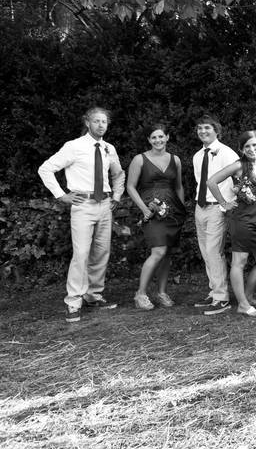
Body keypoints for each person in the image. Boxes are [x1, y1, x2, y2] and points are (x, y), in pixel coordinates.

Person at [38, 107, 126, 322]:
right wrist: (61, 195)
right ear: (87, 123)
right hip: (83, 206)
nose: (101, 125)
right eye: (96, 121)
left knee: (101, 252)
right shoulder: (73, 146)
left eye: (104, 121)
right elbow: (45, 169)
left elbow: (119, 174)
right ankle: (74, 301)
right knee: (81, 254)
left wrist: (116, 196)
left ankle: (93, 295)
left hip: (105, 205)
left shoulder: (108, 148)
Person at [206, 131, 256, 317]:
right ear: (241, 149)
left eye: (254, 145)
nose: (251, 149)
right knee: (239, 262)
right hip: (242, 220)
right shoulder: (238, 166)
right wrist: (224, 203)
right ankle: (242, 304)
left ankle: (248, 296)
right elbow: (211, 181)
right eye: (247, 146)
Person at [126, 124, 187, 310]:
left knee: (167, 254)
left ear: (167, 137)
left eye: (161, 136)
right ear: (148, 140)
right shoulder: (140, 159)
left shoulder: (175, 160)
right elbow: (130, 187)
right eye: (154, 138)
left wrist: (181, 209)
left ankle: (161, 292)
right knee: (158, 251)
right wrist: (144, 209)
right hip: (151, 210)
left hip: (172, 211)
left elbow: (178, 186)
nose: (158, 141)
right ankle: (141, 294)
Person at [191, 114, 240, 314]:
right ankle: (214, 291)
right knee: (206, 252)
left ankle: (222, 298)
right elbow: (200, 183)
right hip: (200, 207)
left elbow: (239, 178)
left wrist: (227, 203)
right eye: (200, 128)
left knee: (214, 252)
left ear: (216, 131)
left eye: (207, 128)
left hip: (217, 209)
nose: (203, 131)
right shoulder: (197, 155)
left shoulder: (227, 153)